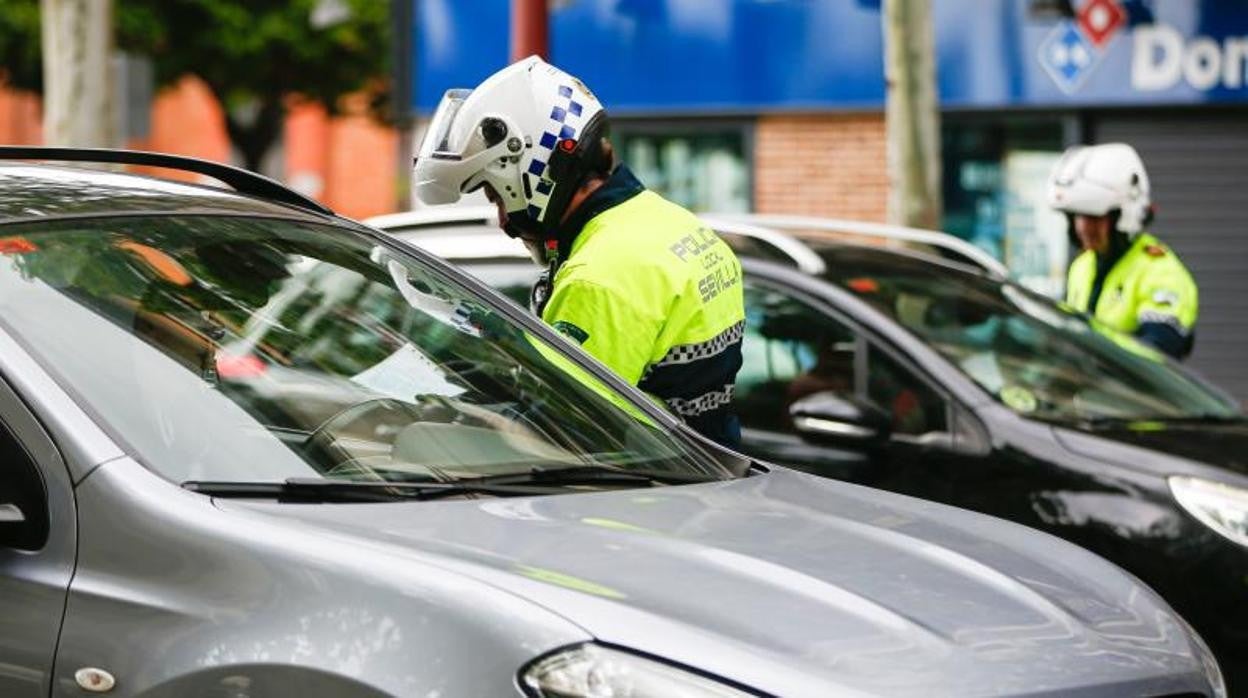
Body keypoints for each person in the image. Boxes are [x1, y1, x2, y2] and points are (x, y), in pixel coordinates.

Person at [412, 56, 746, 447]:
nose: (503, 220)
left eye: (496, 195)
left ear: (529, 168)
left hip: (637, 494)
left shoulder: (597, 277)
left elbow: (566, 432)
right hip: (707, 456)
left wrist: (452, 415)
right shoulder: (668, 222)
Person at [1047, 143, 1198, 360]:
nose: (1083, 228)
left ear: (1122, 217)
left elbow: (1158, 352)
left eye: (1094, 217)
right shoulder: (1082, 266)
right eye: (1077, 216)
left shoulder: (1160, 271)